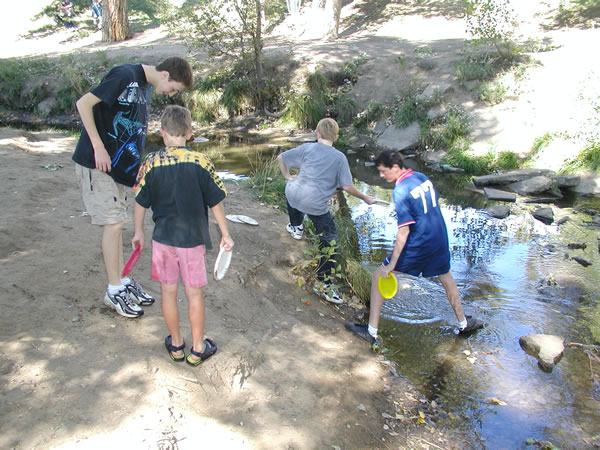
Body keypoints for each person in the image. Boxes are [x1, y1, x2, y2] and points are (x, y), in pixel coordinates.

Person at [72, 57, 194, 319]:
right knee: (113, 223)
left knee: (117, 223)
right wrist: (98, 147)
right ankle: (114, 289)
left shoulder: (144, 85)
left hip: (117, 169)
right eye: (173, 88)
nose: (171, 94)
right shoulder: (124, 75)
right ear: (165, 74)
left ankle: (121, 280)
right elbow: (84, 104)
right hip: (97, 163)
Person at [345, 150, 484, 345]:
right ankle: (464, 323)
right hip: (439, 237)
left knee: (378, 276)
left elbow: (404, 231)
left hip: (419, 243)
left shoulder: (400, 190)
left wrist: (391, 264)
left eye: (383, 171)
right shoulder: (421, 177)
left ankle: (371, 333)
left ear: (395, 167)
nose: (381, 176)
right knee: (446, 277)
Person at [131, 105, 234, 366]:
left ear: (163, 132)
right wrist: (225, 234)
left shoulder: (151, 162)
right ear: (189, 133)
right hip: (192, 240)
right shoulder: (201, 162)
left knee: (168, 292)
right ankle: (198, 349)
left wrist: (138, 232)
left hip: (163, 239)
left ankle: (176, 345)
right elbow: (216, 201)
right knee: (194, 294)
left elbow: (140, 201)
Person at [277, 118, 375, 304]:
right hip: (315, 205)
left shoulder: (307, 148)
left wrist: (288, 177)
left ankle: (296, 227)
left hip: (293, 193)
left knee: (295, 192)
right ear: (335, 136)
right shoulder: (339, 158)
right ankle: (324, 284)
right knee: (331, 242)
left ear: (318, 133)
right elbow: (347, 187)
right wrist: (365, 198)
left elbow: (281, 158)